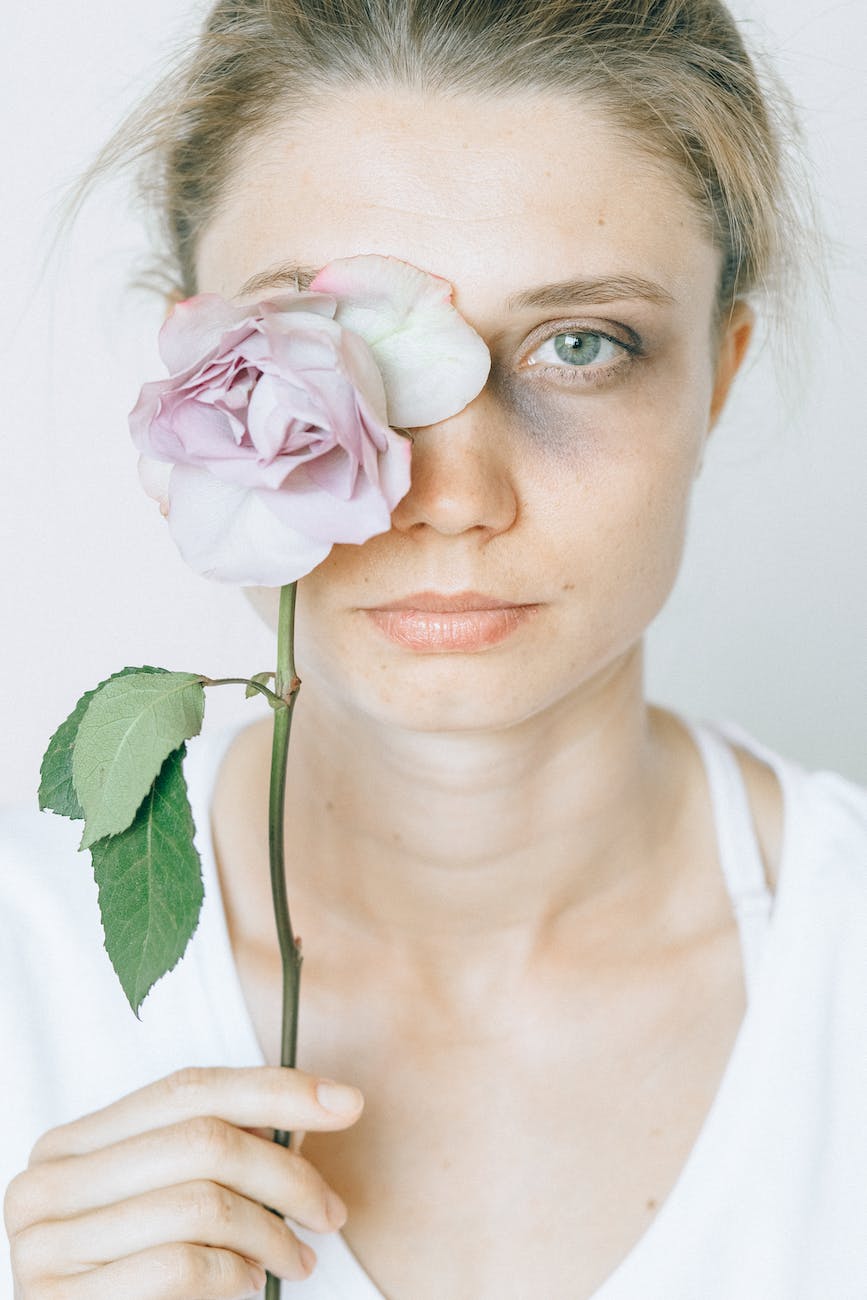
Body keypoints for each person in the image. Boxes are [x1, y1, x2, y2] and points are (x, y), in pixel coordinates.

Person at [3, 1, 866, 1297]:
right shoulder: (25, 974)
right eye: (333, 350)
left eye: (580, 347)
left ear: (719, 374)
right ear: (196, 393)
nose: (447, 494)